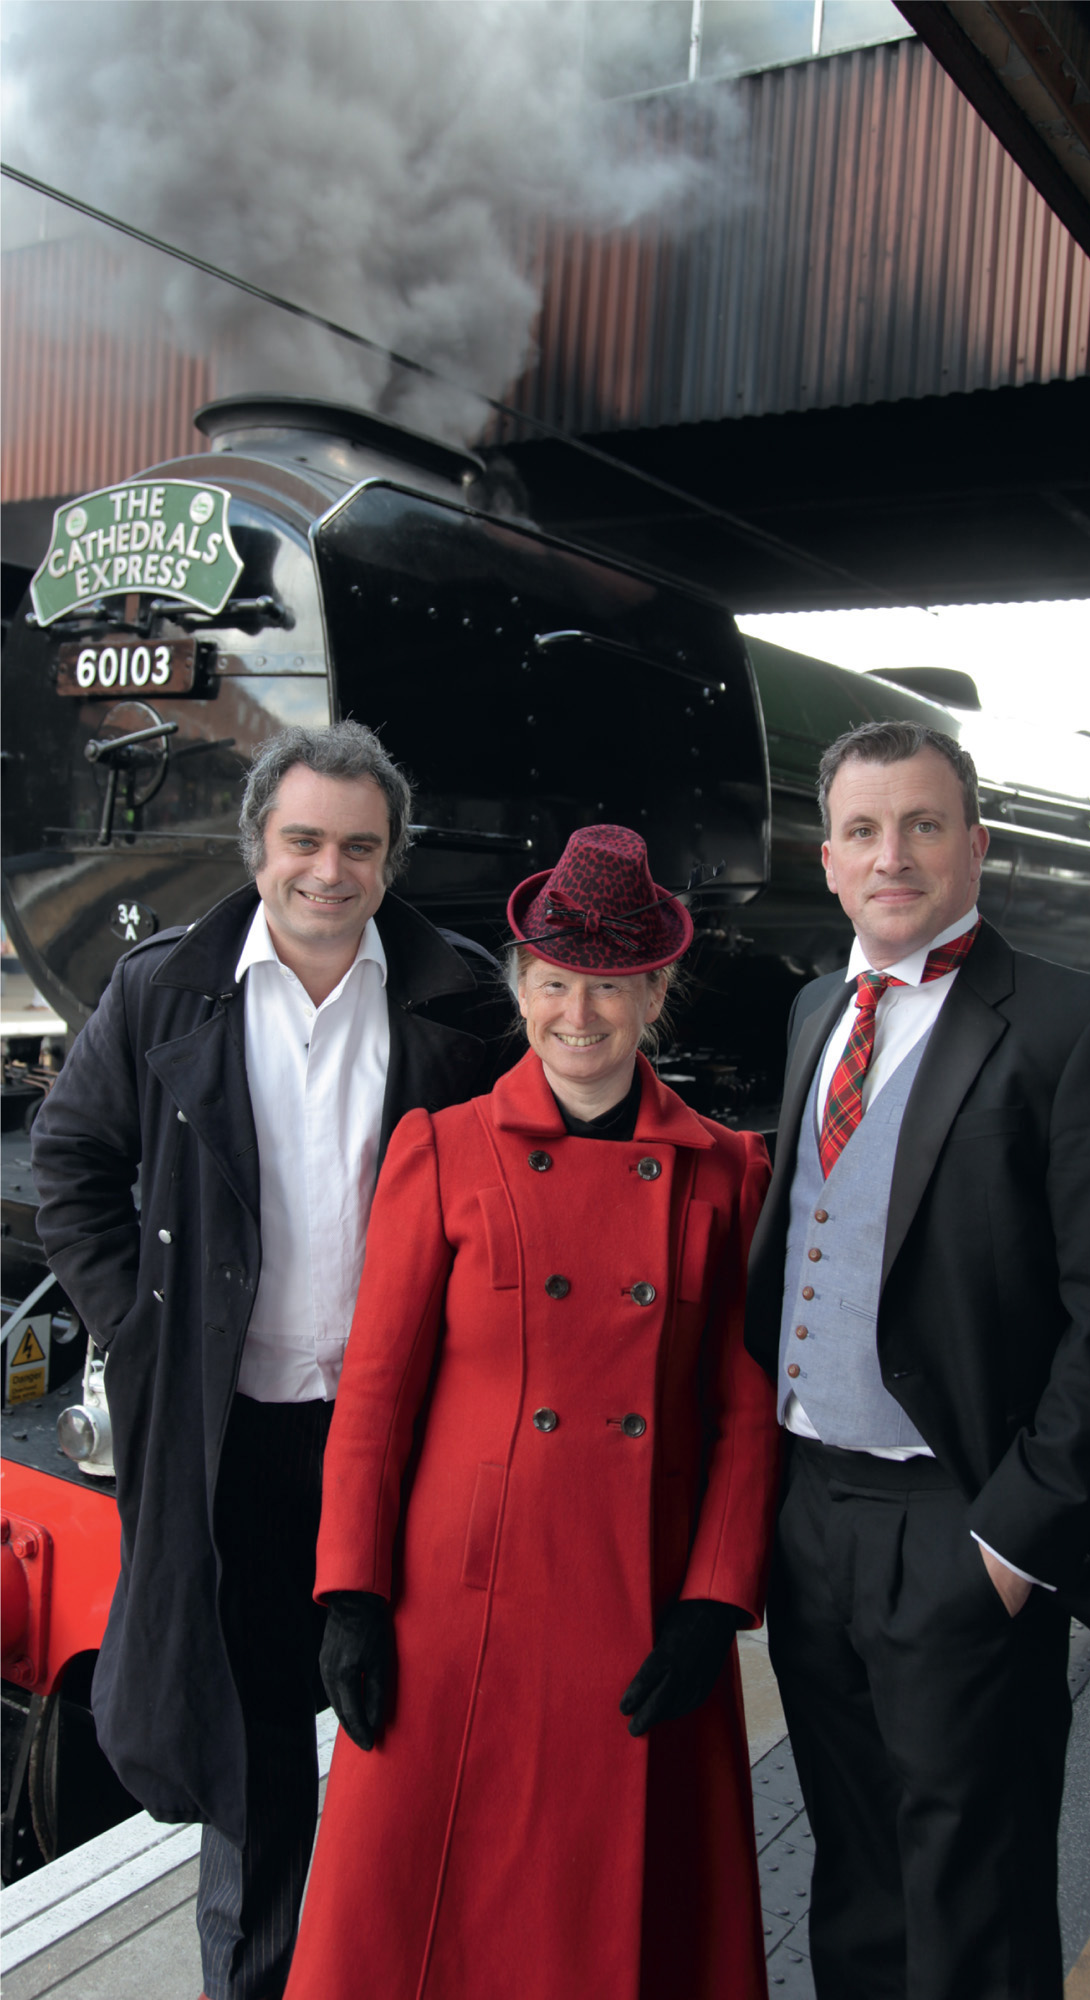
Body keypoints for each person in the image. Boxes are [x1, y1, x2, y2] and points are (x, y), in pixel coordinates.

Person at [31, 721, 496, 2000]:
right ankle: (258, 1976)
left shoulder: (458, 1000)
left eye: (358, 845)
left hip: (394, 1435)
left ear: (391, 859)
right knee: (247, 1747)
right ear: (259, 846)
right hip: (229, 1429)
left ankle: (395, 1961)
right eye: (304, 840)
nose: (328, 870)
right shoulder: (163, 989)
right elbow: (71, 1165)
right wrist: (140, 1324)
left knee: (407, 1718)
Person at [282, 824, 779, 2000]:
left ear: (657, 993)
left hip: (644, 1602)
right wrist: (351, 1593)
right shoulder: (441, 1150)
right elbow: (380, 1392)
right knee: (417, 1928)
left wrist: (717, 1602)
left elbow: (743, 1416)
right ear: (521, 984)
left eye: (611, 987)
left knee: (618, 1929)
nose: (579, 1014)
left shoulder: (726, 1172)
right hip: (458, 1612)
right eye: (556, 982)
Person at [745, 719, 1090, 2000]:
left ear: (977, 843)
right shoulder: (816, 1007)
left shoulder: (1080, 1027)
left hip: (959, 1514)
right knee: (854, 1872)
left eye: (924, 823)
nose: (894, 853)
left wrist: (1016, 1542)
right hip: (812, 1511)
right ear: (827, 859)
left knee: (973, 1890)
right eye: (864, 829)